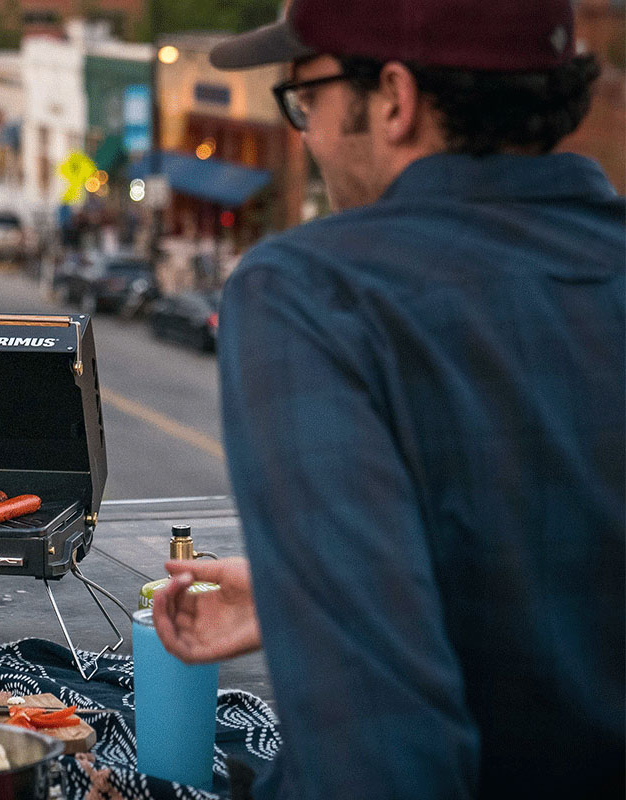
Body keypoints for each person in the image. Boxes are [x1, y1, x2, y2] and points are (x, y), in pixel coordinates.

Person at [152, 0, 624, 797]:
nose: (307, 133)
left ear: (396, 100)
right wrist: (310, 589)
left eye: (306, 98)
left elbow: (377, 757)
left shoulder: (314, 292)